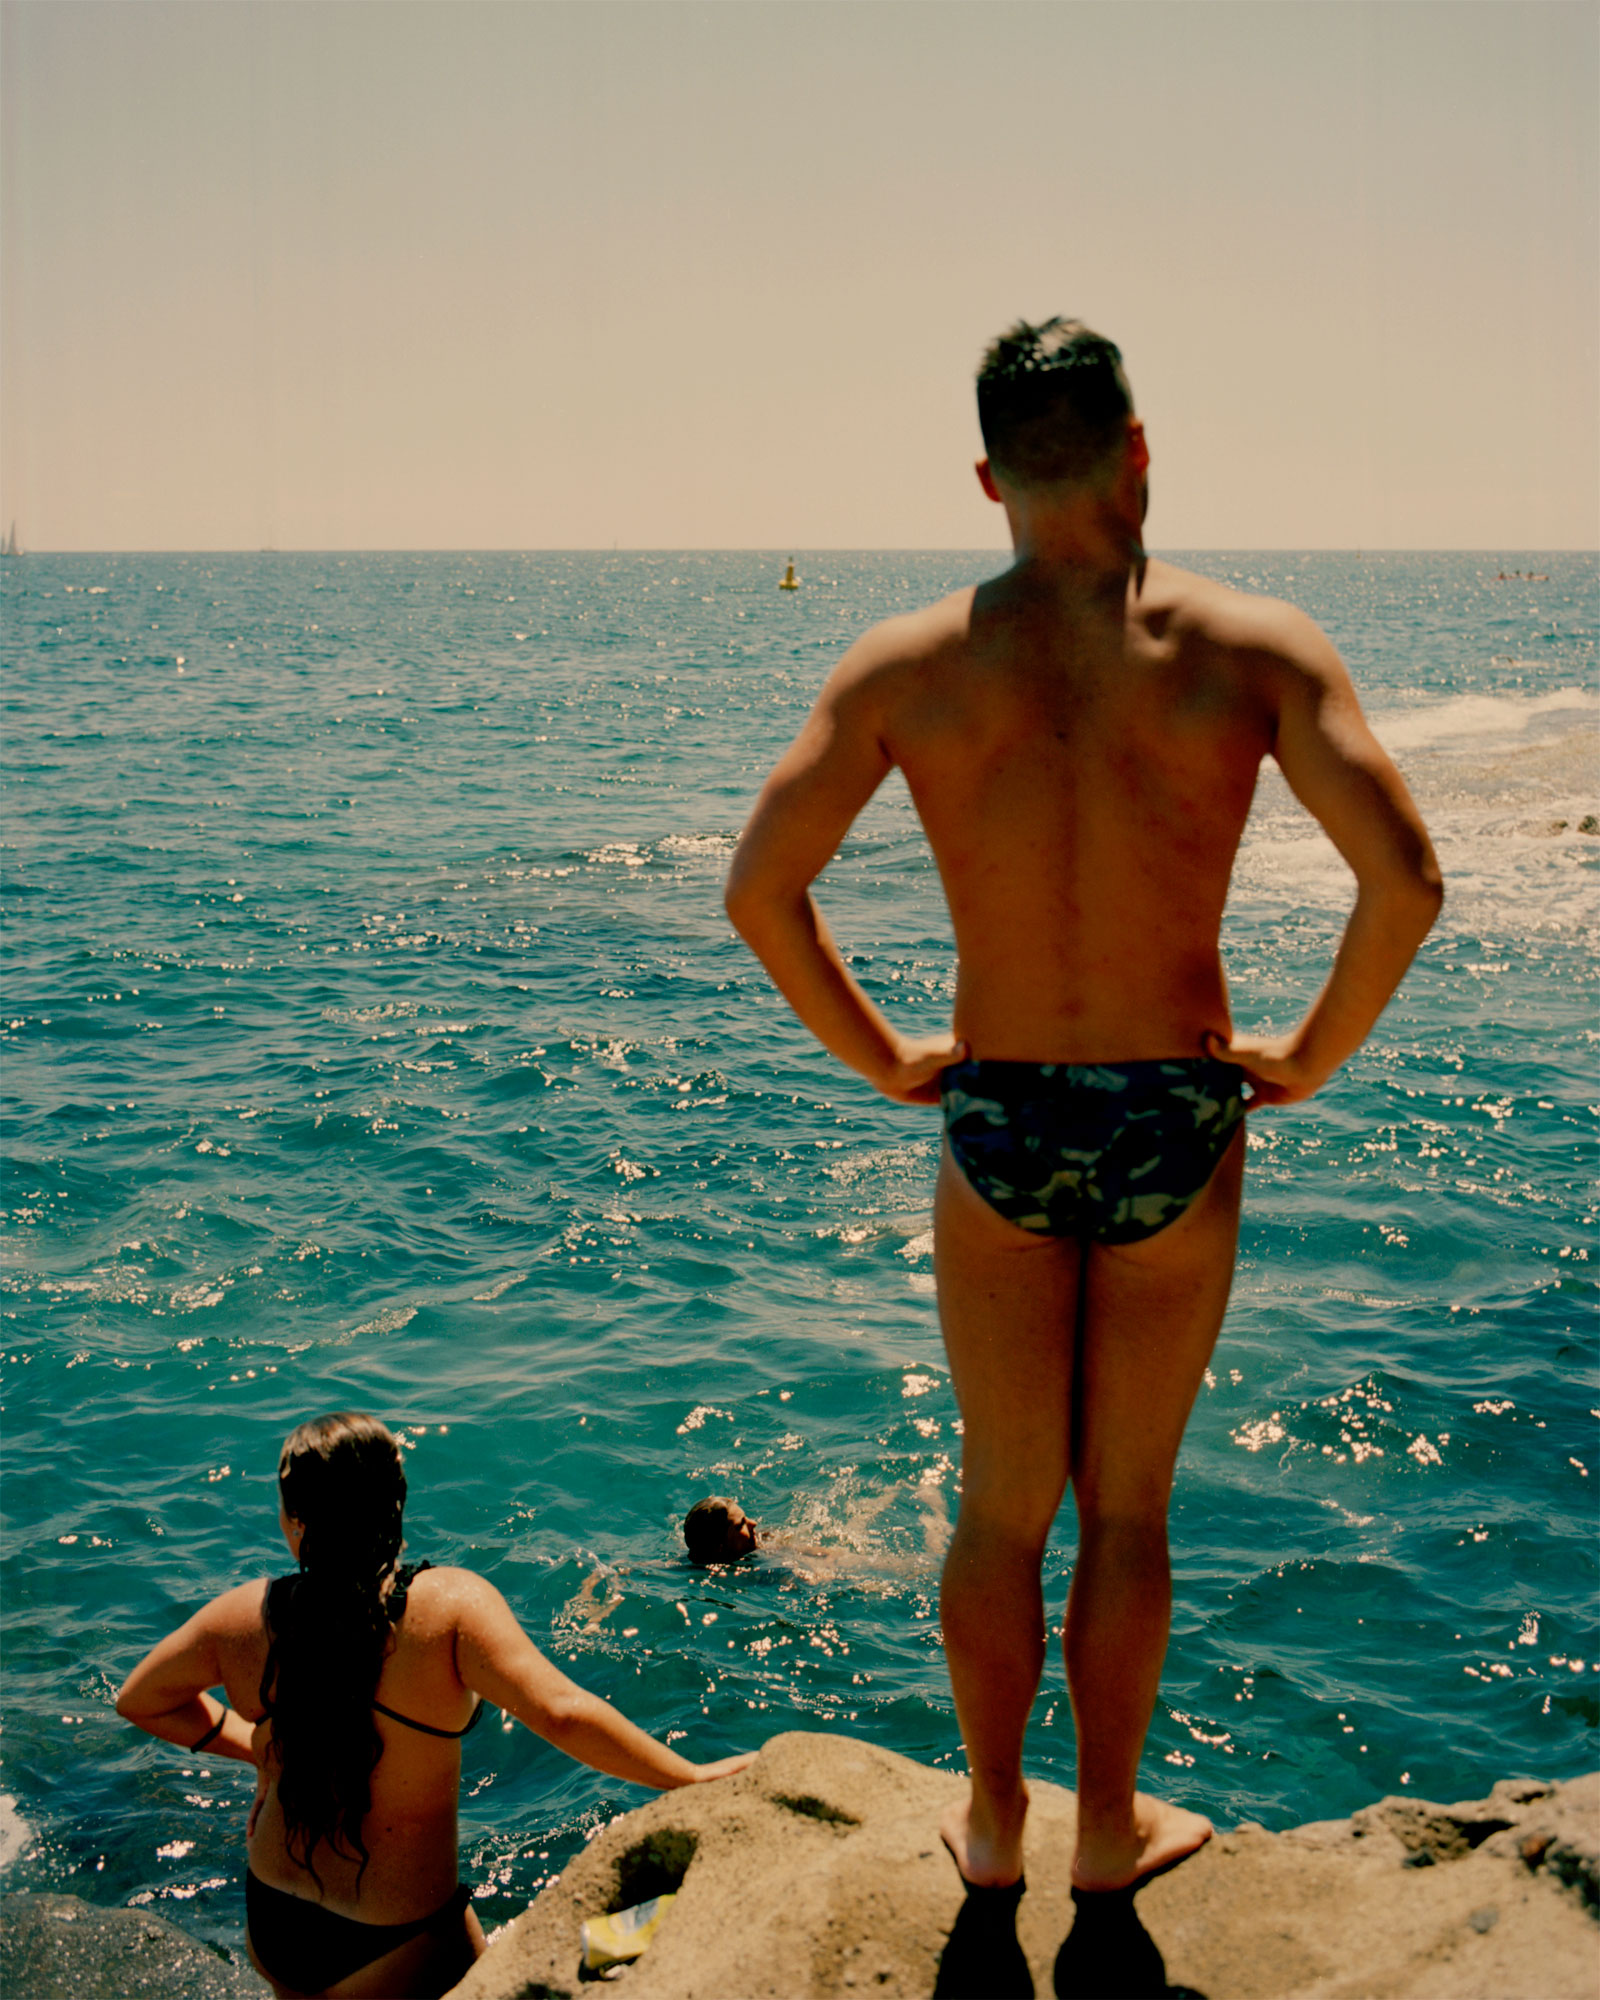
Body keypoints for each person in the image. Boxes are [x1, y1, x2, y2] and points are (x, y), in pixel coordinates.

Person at [723, 318, 1441, 1900]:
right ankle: (1107, 1833)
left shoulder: (908, 667)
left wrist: (885, 1057)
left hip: (997, 1114)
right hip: (1180, 1106)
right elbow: (1405, 880)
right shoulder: (1253, 649)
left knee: (999, 1510)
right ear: (1137, 447)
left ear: (986, 477)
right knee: (1129, 1507)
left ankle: (993, 1828)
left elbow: (761, 890)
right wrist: (1311, 1053)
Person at [116, 1414, 753, 1999]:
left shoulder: (243, 1615)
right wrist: (690, 1777)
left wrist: (259, 1752)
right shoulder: (446, 1608)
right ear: (395, 1503)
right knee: (595, 1950)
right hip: (396, 1935)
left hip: (275, 1919)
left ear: (294, 1517)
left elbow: (142, 1701)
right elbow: (559, 1711)